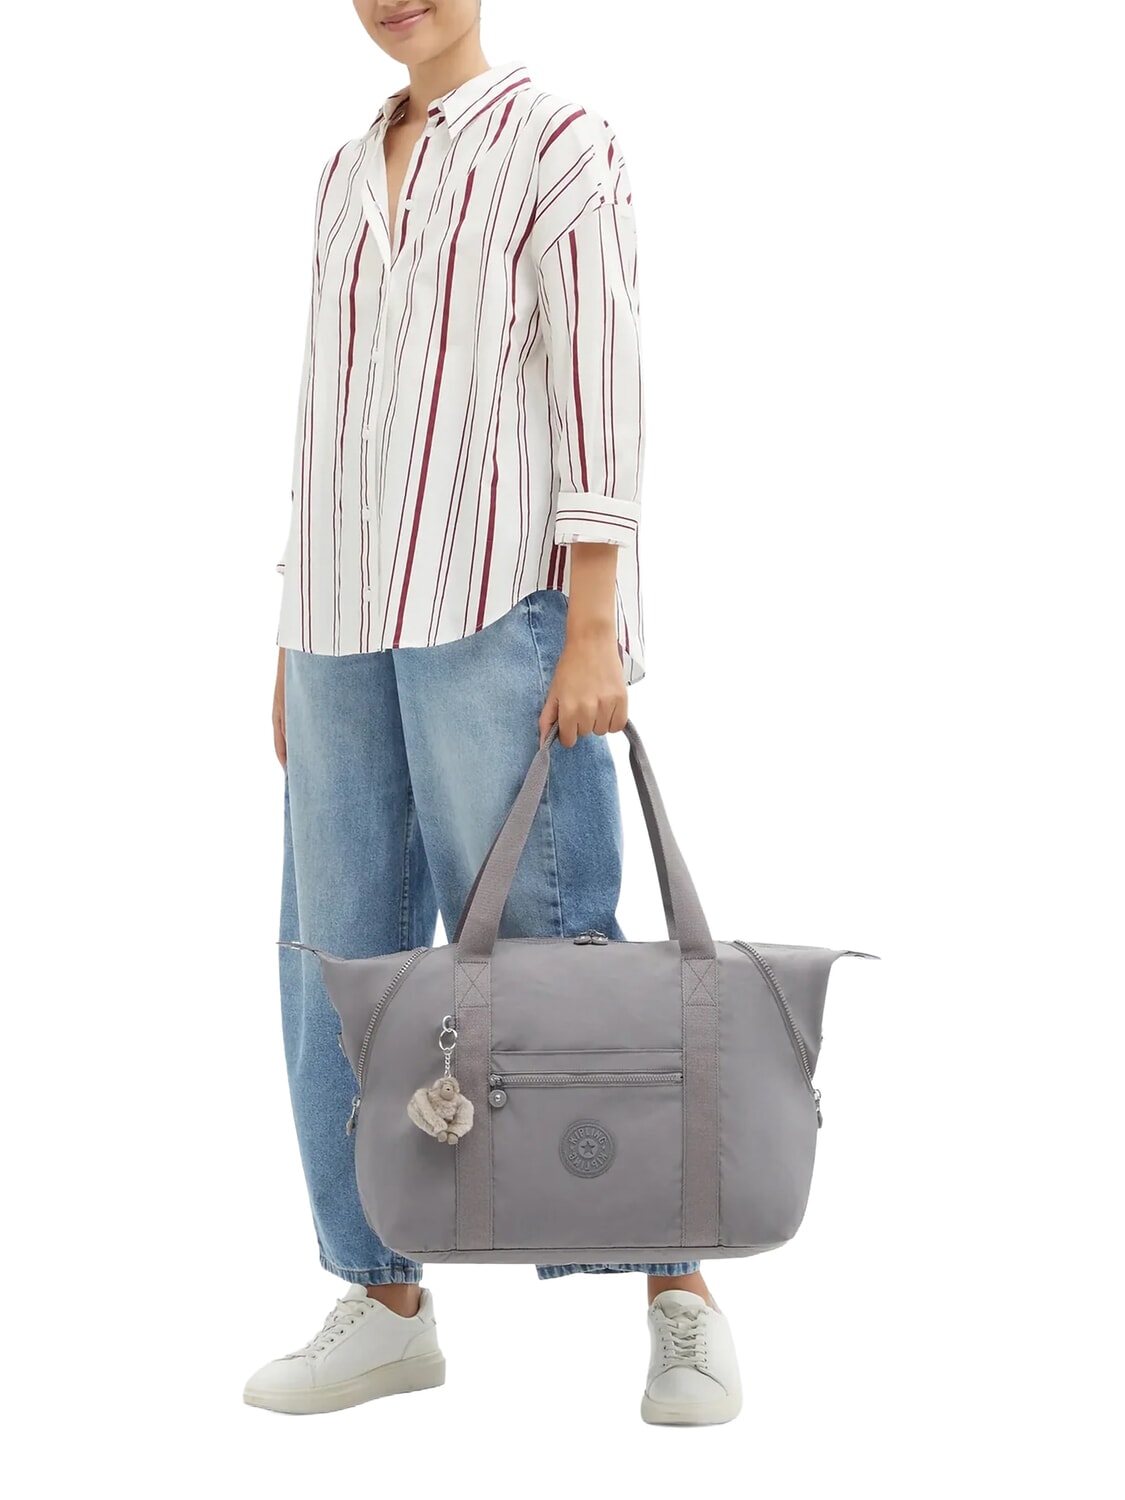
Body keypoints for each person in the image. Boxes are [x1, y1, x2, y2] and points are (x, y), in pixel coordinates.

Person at [243, 0, 743, 1426]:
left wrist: (593, 620)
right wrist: (286, 626)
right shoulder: (343, 173)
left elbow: (598, 386)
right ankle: (383, 1298)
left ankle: (678, 1290)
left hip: (493, 606)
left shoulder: (558, 142)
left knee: (554, 954)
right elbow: (324, 412)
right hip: (340, 619)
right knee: (336, 959)